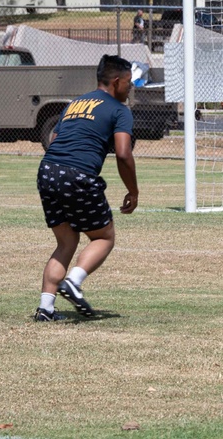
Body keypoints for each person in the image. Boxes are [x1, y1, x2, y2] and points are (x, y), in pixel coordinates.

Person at [34, 55, 139, 321]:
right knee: (104, 237)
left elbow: (56, 138)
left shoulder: (75, 103)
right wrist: (133, 191)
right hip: (77, 174)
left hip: (47, 170)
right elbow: (124, 153)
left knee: (67, 240)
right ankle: (74, 281)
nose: (131, 87)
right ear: (116, 82)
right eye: (129, 82)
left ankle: (45, 308)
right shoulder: (119, 110)